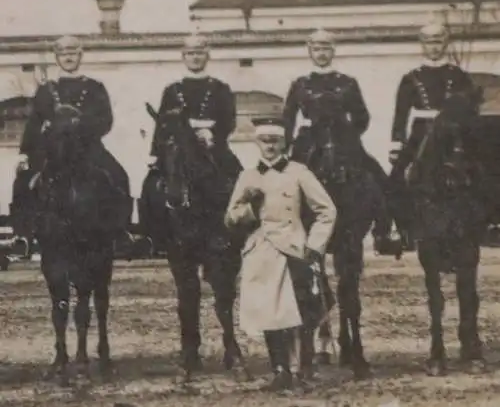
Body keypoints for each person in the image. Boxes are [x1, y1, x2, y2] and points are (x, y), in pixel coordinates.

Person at [225, 117, 336, 392]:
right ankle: (280, 371)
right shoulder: (248, 176)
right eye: (264, 141)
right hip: (260, 250)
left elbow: (327, 211)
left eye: (275, 141)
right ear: (257, 143)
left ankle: (300, 371)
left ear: (283, 142)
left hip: (292, 249)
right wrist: (249, 208)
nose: (270, 146)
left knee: (295, 312)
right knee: (268, 313)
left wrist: (314, 246)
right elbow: (230, 217)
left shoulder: (299, 172)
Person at [282, 28, 401, 256]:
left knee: (379, 178)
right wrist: (289, 145)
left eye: (326, 48)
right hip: (310, 140)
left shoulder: (347, 83)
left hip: (343, 139)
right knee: (285, 182)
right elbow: (288, 119)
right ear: (309, 52)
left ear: (333, 51)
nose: (321, 53)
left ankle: (385, 232)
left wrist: (347, 132)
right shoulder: (300, 84)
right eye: (316, 49)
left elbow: (362, 117)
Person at [13, 35, 131, 239]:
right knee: (23, 180)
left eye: (72, 53)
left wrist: (81, 128)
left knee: (119, 175)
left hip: (87, 147)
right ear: (56, 57)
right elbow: (34, 122)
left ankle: (121, 232)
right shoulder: (46, 90)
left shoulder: (95, 87)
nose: (68, 57)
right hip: (51, 149)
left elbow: (105, 120)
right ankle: (23, 234)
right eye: (63, 54)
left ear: (80, 55)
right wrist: (25, 153)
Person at [389, 20, 476, 248]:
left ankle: (484, 224)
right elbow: (400, 115)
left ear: (446, 43)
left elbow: (470, 112)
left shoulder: (459, 76)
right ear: (422, 45)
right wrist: (397, 144)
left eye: (438, 41)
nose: (434, 47)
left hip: (452, 134)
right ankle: (400, 231)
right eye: (429, 42)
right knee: (394, 180)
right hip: (421, 134)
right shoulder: (411, 78)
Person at [149, 33, 242, 180]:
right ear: (183, 57)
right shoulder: (172, 90)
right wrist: (155, 153)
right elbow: (162, 125)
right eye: (190, 53)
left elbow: (229, 120)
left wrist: (213, 134)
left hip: (212, 146)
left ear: (207, 56)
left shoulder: (221, 88)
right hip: (180, 147)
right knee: (153, 183)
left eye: (200, 53)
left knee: (236, 177)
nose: (195, 58)